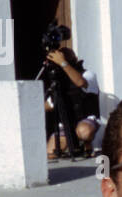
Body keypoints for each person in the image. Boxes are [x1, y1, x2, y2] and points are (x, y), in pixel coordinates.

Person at [42, 26, 101, 159]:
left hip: (86, 120)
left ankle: (87, 145)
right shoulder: (59, 81)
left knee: (84, 132)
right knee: (49, 154)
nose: (64, 55)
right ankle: (68, 145)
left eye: (68, 54)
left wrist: (63, 63)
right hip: (66, 123)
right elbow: (50, 105)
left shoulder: (88, 74)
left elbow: (80, 83)